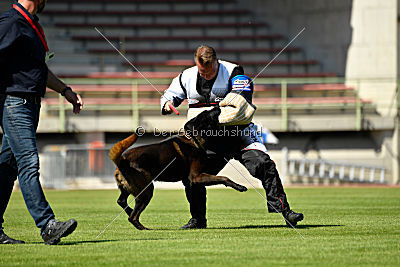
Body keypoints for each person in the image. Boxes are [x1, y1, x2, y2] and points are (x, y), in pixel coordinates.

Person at [161, 45, 304, 229]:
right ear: (197, 64)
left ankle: (286, 213)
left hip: (238, 135)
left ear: (216, 62)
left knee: (264, 164)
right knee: (192, 176)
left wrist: (205, 117)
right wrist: (167, 104)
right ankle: (198, 219)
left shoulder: (234, 72)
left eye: (209, 72)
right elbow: (170, 95)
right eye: (202, 72)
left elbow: (240, 104)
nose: (205, 76)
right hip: (208, 141)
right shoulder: (186, 76)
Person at [0, 0, 83, 245]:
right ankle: (47, 225)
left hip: (29, 103)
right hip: (15, 102)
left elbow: (39, 70)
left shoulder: (29, 23)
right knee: (28, 162)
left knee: (7, 168)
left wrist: (65, 90)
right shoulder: (11, 22)